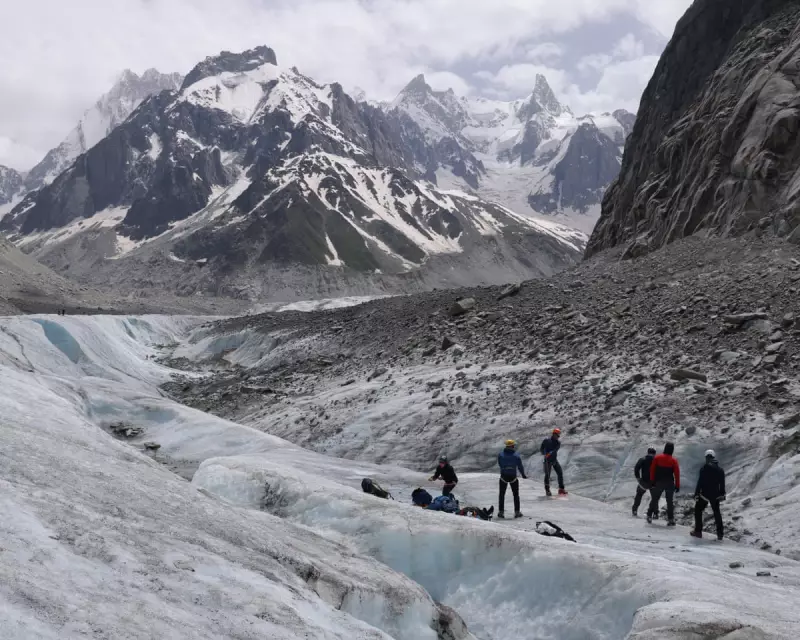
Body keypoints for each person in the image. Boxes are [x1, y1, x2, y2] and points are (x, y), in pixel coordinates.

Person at [691, 449, 726, 541]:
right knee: (717, 513)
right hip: (715, 495)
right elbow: (722, 484)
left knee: (698, 510)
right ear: (714, 457)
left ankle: (698, 532)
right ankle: (720, 534)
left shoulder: (704, 469)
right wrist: (722, 494)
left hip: (705, 495)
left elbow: (700, 482)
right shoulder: (720, 470)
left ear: (706, 458)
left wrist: (696, 493)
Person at [648, 442, 680, 525]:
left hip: (659, 482)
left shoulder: (657, 458)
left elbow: (652, 470)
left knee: (655, 499)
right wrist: (677, 485)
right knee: (669, 502)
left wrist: (652, 481)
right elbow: (677, 474)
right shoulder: (674, 460)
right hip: (669, 483)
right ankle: (670, 519)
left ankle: (649, 515)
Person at [498, 439, 527, 518]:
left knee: (502, 494)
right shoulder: (516, 455)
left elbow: (500, 464)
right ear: (512, 446)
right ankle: (517, 512)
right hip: (513, 476)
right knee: (516, 495)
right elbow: (520, 466)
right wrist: (523, 474)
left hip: (503, 476)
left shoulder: (501, 455)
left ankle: (501, 512)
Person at [541, 428, 567, 496]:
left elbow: (555, 450)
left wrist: (549, 453)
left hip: (554, 460)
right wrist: (544, 453)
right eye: (558, 435)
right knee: (547, 475)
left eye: (559, 435)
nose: (558, 436)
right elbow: (541, 449)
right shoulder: (546, 440)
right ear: (554, 434)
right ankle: (547, 490)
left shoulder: (558, 443)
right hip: (547, 460)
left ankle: (561, 489)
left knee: (560, 473)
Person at [632, 447, 657, 517]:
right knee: (655, 497)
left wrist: (638, 478)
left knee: (639, 495)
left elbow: (636, 469)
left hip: (644, 482)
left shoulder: (643, 459)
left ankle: (634, 510)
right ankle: (655, 513)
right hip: (654, 483)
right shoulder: (657, 460)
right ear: (654, 453)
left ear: (648, 452)